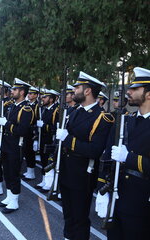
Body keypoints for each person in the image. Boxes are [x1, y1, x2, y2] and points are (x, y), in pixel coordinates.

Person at [55, 71, 114, 239]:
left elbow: (95, 150)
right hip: (66, 169)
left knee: (80, 216)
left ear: (87, 91)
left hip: (82, 173)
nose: (74, 91)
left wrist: (68, 139)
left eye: (78, 87)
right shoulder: (75, 112)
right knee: (68, 212)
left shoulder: (102, 118)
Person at [96, 67, 150, 240]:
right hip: (117, 196)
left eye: (135, 89)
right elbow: (107, 156)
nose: (129, 92)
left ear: (148, 94)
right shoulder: (126, 121)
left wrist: (130, 158)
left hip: (141, 201)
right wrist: (102, 191)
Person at [0, 78, 35, 213]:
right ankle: (9, 197)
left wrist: (6, 124)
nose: (12, 91)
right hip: (7, 144)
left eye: (15, 89)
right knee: (6, 171)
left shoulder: (26, 109)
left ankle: (14, 201)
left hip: (16, 146)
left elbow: (22, 131)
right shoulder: (13, 105)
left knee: (13, 173)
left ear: (22, 92)